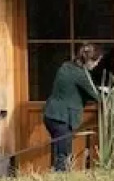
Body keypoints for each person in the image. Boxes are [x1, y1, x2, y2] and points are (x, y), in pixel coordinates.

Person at [42, 43, 104, 172]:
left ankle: (55, 176)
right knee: (63, 155)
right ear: (89, 60)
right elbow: (96, 96)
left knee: (59, 151)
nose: (97, 65)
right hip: (62, 118)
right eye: (97, 61)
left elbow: (74, 88)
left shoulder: (66, 66)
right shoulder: (81, 74)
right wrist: (112, 97)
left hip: (51, 115)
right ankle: (61, 180)